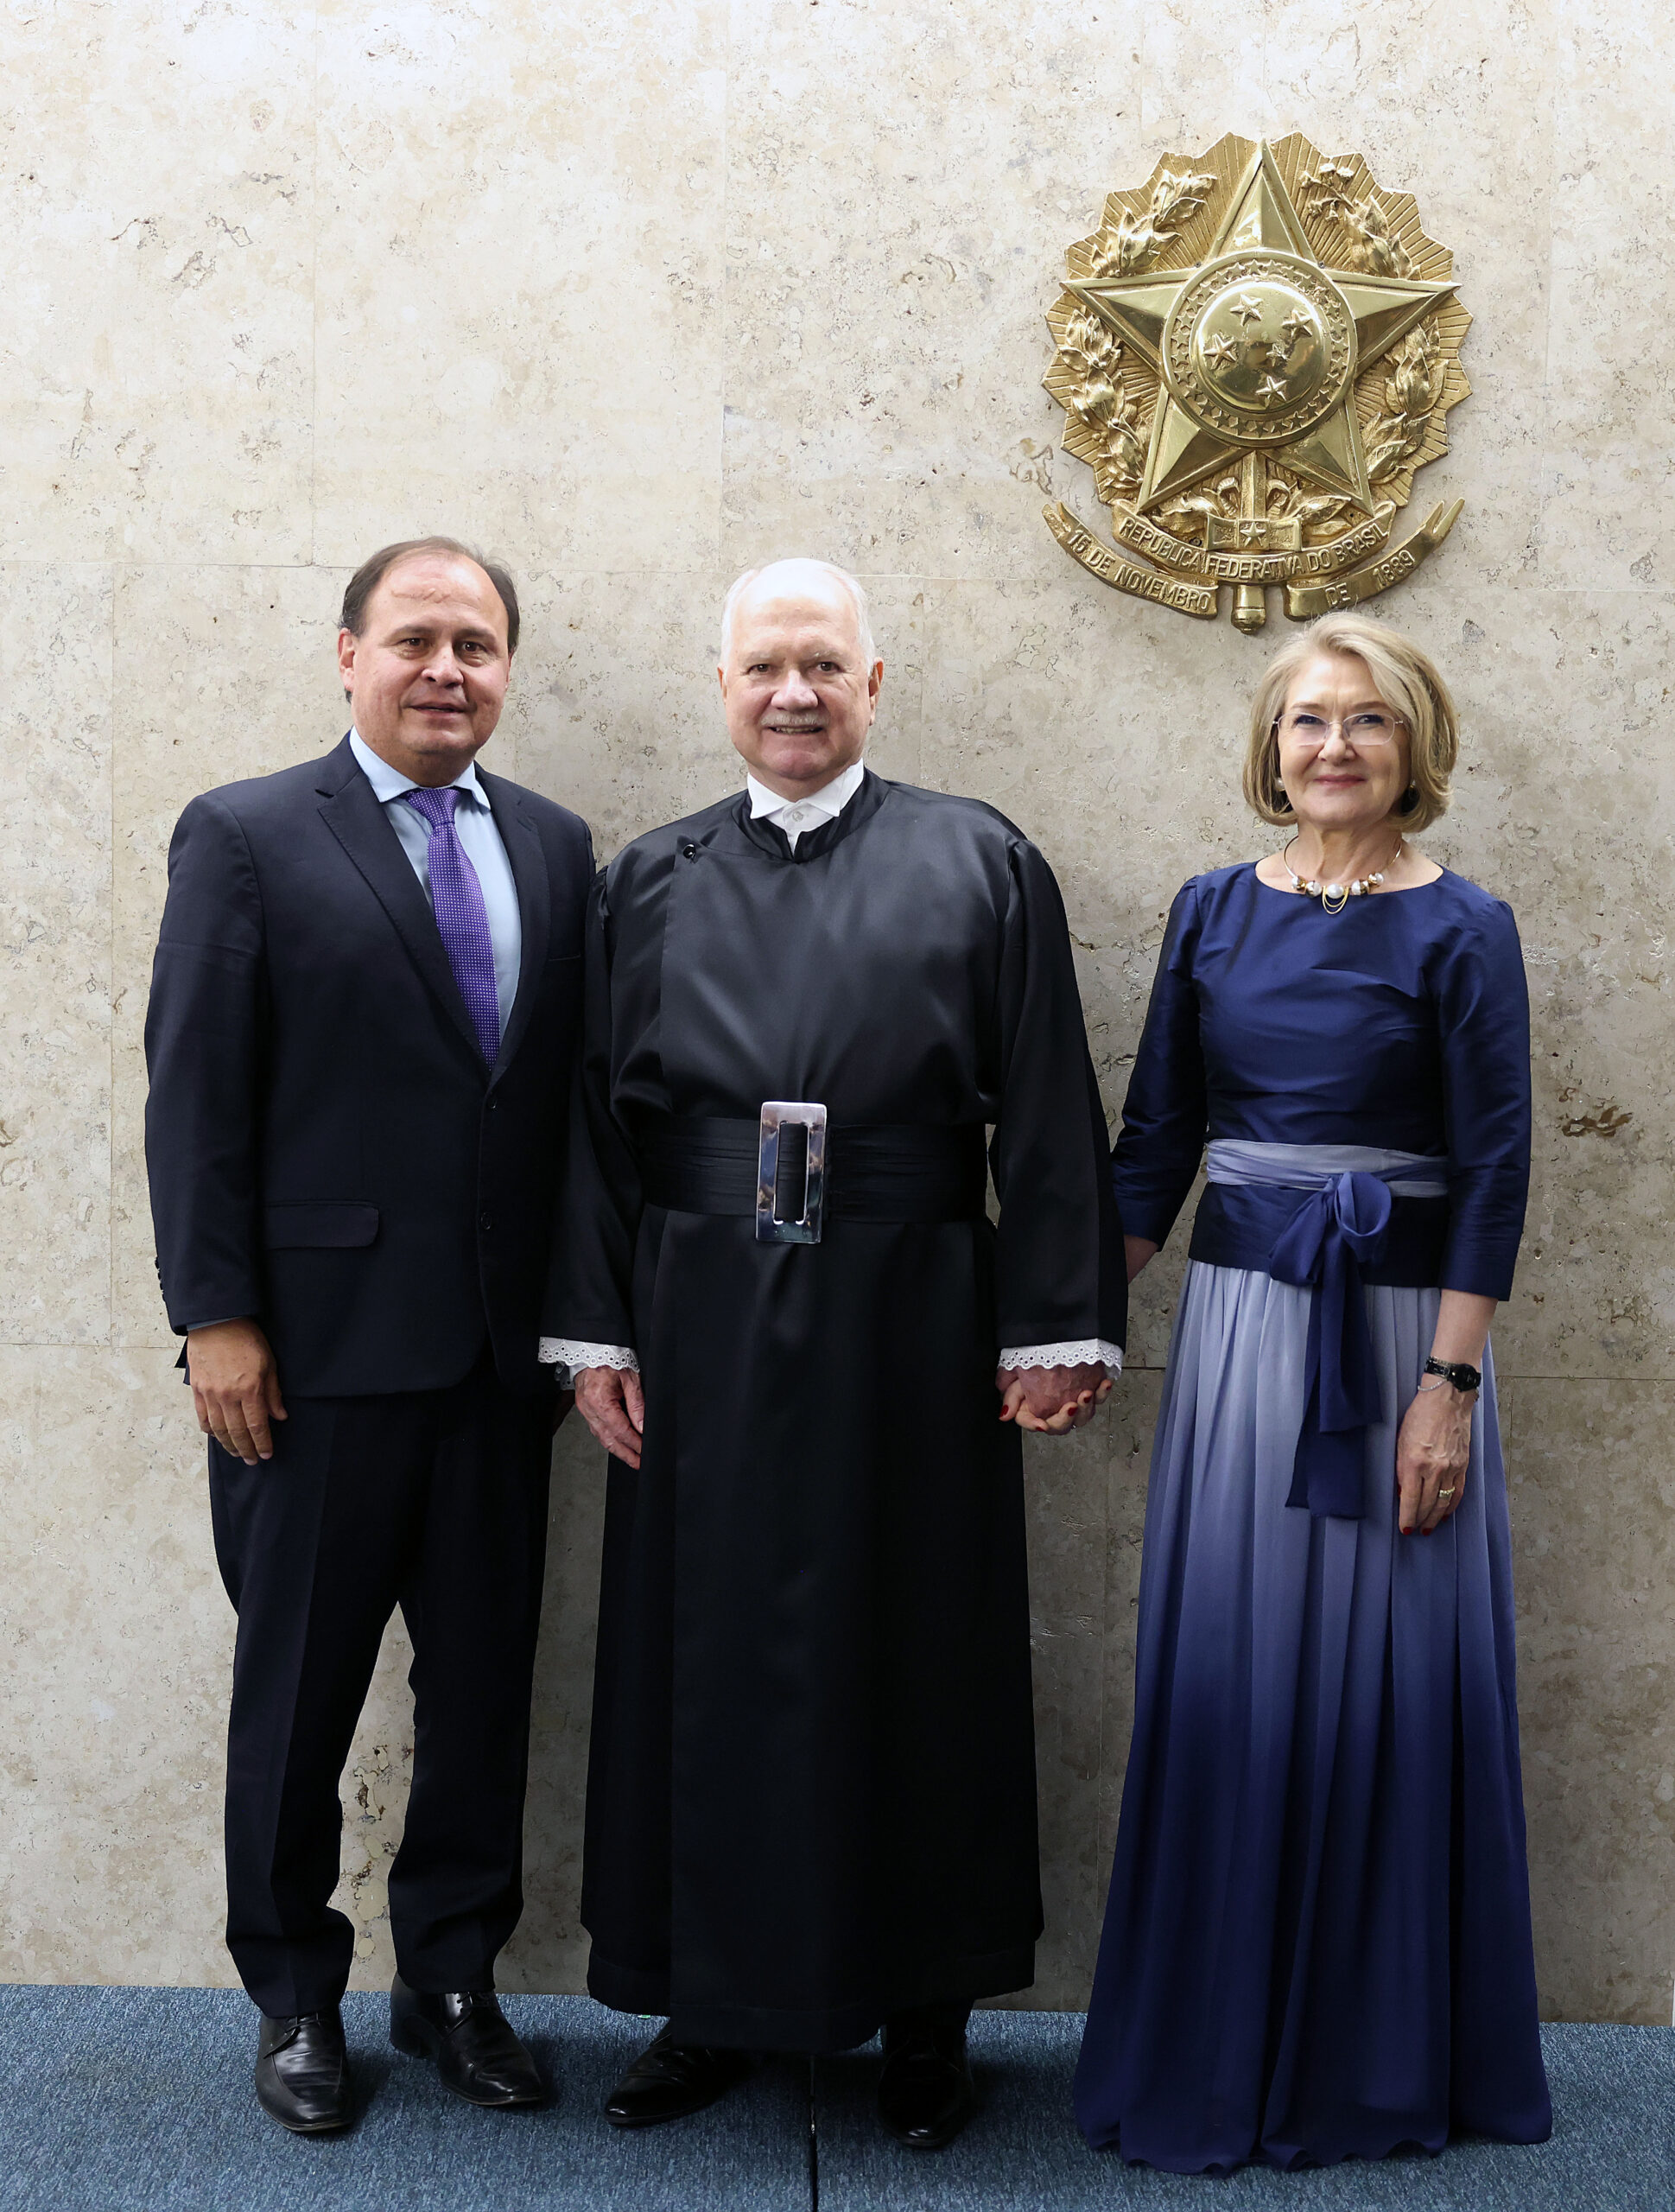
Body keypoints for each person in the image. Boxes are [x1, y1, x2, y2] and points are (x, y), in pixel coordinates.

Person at [543, 557, 1126, 2150]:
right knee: (706, 1650)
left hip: (912, 1314)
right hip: (700, 1319)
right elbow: (594, 1124)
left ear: (874, 684)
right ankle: (705, 1999)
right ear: (722, 686)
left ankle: (925, 2013)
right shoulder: (648, 878)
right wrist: (593, 1334)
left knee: (914, 1646)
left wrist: (1055, 1321)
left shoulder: (981, 858)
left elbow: (1047, 1101)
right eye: (763, 667)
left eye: (822, 665)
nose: (792, 694)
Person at [1074, 613, 1551, 2171]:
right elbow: (1156, 1146)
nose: (1335, 746)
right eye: (1308, 720)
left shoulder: (1464, 927)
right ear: (1270, 748)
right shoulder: (1212, 910)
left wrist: (1448, 1390)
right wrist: (1064, 1328)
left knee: (1394, 1675)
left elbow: (1494, 1172)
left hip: (1405, 1339)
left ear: (1416, 746)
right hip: (1239, 1345)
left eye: (1368, 720)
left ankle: (1375, 2059)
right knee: (1232, 1667)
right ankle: (1216, 2040)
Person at [144, 538, 593, 2134]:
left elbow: (559, 1111)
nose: (445, 669)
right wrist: (215, 1316)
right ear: (349, 655)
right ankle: (292, 1995)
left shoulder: (558, 846)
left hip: (499, 1373)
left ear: (507, 669)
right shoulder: (249, 834)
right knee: (298, 1698)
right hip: (310, 1367)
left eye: (476, 643)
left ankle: (453, 1981)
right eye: (415, 639)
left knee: (480, 1696)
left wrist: (582, 1331)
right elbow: (196, 1093)